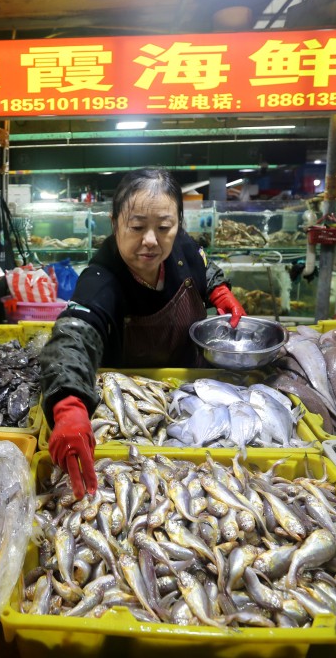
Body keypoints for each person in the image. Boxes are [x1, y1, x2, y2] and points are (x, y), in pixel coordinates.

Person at [37, 168, 246, 498]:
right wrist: (67, 403)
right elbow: (73, 335)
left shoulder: (181, 247)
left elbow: (204, 265)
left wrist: (218, 289)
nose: (151, 239)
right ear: (115, 221)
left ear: (177, 222)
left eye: (164, 227)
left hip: (192, 396)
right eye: (137, 227)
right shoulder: (101, 278)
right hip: (135, 415)